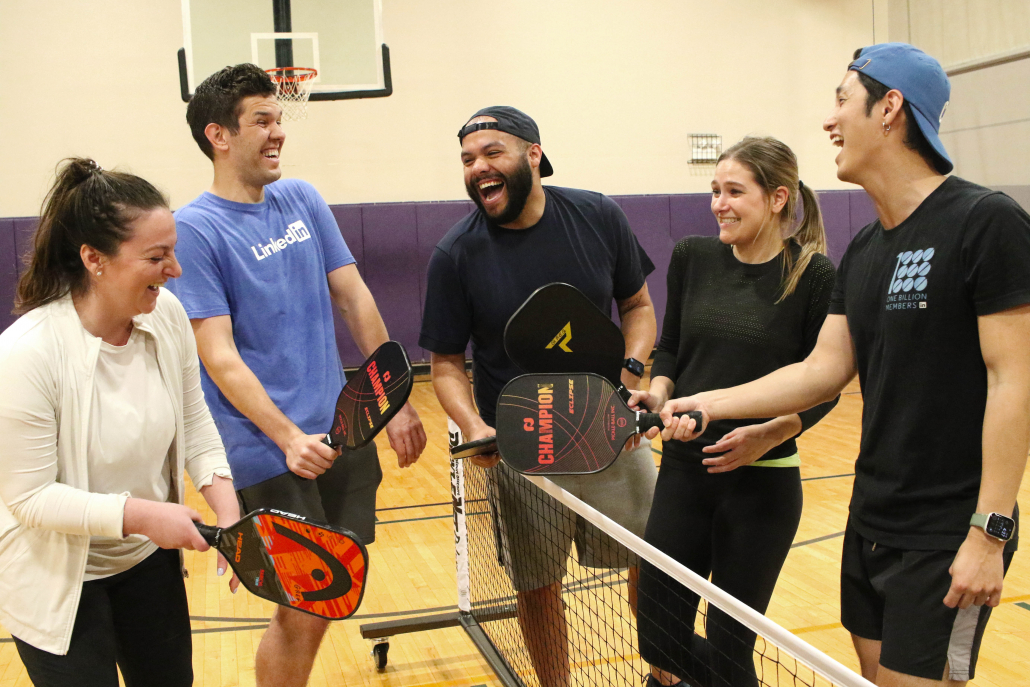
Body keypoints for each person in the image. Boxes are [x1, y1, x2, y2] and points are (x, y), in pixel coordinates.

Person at [660, 44, 1030, 686]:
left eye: (841, 100)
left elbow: (1014, 380)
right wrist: (704, 403)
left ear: (889, 108)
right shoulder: (864, 248)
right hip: (871, 515)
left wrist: (989, 533)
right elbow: (820, 371)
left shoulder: (985, 222)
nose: (829, 120)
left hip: (948, 528)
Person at [167, 64, 427, 687]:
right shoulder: (194, 230)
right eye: (262, 121)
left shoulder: (303, 199)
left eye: (278, 119)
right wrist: (286, 437)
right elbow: (218, 356)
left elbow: (355, 298)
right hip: (266, 449)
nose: (278, 132)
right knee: (305, 606)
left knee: (328, 598)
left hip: (342, 434)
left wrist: (393, 400)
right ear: (218, 136)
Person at [420, 105, 659, 687]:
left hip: (610, 429)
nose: (478, 167)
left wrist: (629, 379)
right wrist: (474, 426)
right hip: (522, 444)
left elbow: (638, 307)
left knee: (654, 564)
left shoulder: (597, 215)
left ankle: (668, 674)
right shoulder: (455, 254)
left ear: (533, 154)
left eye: (491, 153)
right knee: (537, 585)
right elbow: (446, 364)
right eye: (467, 160)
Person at [0, 158, 239, 687]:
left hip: (146, 565)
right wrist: (143, 515)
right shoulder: (25, 353)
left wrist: (227, 508)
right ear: (94, 259)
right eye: (156, 257)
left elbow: (194, 418)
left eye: (172, 251)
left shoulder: (167, 314)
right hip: (56, 581)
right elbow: (30, 498)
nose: (174, 269)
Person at [632, 136, 838, 687]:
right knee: (657, 636)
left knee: (729, 648)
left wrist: (770, 434)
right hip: (683, 474)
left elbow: (825, 386)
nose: (719, 204)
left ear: (777, 198)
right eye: (715, 191)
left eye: (734, 192)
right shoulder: (693, 256)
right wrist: (659, 392)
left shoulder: (814, 276)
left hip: (761, 485)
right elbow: (671, 345)